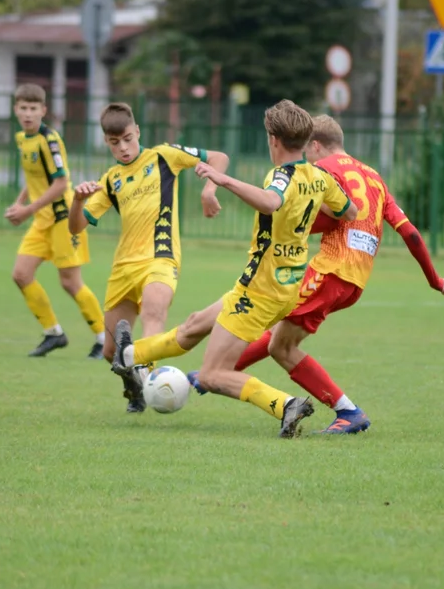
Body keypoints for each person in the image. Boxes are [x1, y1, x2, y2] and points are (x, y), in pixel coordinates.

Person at [187, 114, 444, 434]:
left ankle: (211, 375)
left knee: (268, 322)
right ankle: (217, 374)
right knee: (280, 342)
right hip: (355, 280)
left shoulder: (320, 171)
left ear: (315, 145)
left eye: (306, 151)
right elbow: (409, 233)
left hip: (329, 270)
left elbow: (325, 219)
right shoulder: (374, 177)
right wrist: (435, 280)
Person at [111, 100, 357, 438]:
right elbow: (351, 211)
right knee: (195, 324)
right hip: (283, 287)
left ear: (273, 139)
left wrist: (223, 180)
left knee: (212, 375)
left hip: (260, 290)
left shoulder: (281, 175)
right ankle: (129, 355)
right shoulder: (319, 176)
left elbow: (272, 201)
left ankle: (284, 404)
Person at [68, 102, 228, 412]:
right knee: (109, 350)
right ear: (106, 142)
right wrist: (77, 200)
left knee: (155, 313)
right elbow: (76, 226)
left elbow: (219, 158)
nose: (124, 148)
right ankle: (136, 383)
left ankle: (146, 377)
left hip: (161, 257)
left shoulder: (164, 156)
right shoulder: (111, 179)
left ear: (137, 131)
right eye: (115, 143)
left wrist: (209, 191)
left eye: (128, 138)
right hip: (123, 267)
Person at [5, 83, 106, 359]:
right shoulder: (22, 139)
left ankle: (103, 338)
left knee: (70, 282)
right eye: (23, 108)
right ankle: (53, 333)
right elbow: (35, 178)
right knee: (21, 275)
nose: (28, 114)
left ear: (43, 110)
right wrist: (20, 203)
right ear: (16, 110)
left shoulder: (50, 140)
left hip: (63, 218)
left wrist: (26, 211)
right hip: (41, 219)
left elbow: (60, 184)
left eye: (33, 109)